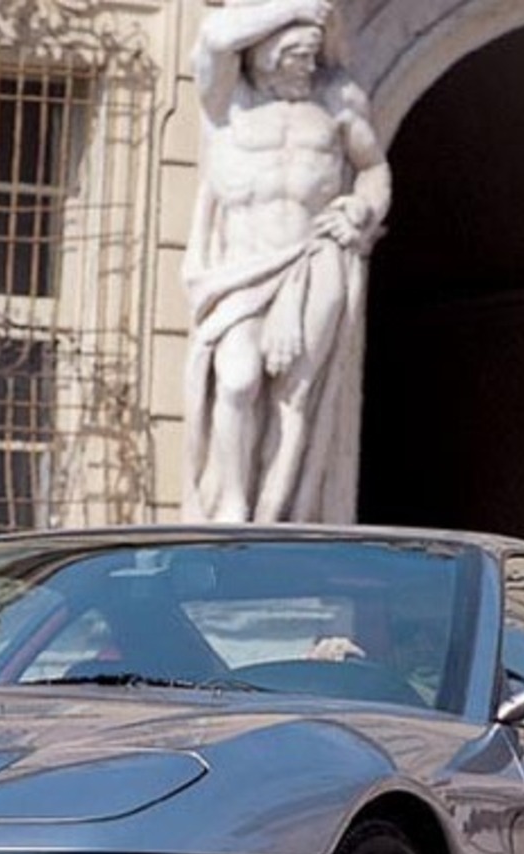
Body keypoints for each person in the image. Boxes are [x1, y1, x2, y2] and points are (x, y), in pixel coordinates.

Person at [183, 0, 391, 523]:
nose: (305, 62)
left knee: (293, 395)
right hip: (240, 272)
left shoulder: (338, 99)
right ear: (266, 53)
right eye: (294, 53)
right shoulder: (227, 102)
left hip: (313, 259)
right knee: (236, 378)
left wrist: (361, 210)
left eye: (311, 53)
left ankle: (279, 514)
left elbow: (372, 168)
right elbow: (213, 38)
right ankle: (231, 504)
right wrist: (301, 6)